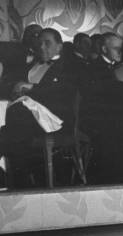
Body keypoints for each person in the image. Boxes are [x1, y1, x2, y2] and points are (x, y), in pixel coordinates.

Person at [0, 28, 78, 187]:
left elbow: (64, 91)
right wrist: (15, 87)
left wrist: (31, 88)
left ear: (59, 46)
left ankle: (18, 181)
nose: (42, 47)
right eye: (39, 43)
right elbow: (7, 85)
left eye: (47, 43)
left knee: (13, 123)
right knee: (14, 131)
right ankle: (21, 182)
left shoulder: (67, 66)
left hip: (55, 119)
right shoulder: (29, 67)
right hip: (28, 121)